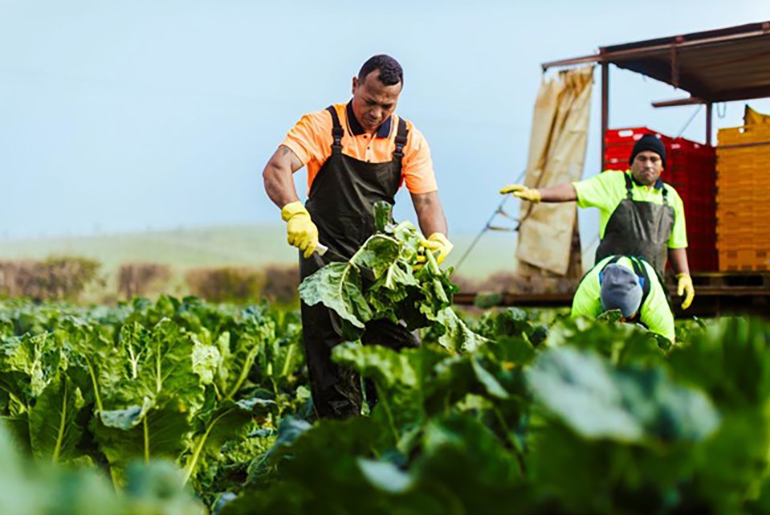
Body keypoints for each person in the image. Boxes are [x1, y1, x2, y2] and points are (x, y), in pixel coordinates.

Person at [262, 55, 452, 418]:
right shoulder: (321, 126)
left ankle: (397, 448)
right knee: (333, 362)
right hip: (326, 262)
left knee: (399, 358)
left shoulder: (408, 138)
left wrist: (437, 239)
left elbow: (426, 199)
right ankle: (343, 452)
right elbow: (277, 167)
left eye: (387, 105)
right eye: (370, 101)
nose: (377, 113)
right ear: (354, 85)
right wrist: (294, 212)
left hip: (382, 264)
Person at [500, 134, 695, 309]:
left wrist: (683, 275)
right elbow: (574, 190)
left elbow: (676, 244)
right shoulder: (612, 183)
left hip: (650, 288)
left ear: (662, 166)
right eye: (641, 158)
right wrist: (538, 194)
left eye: (654, 159)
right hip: (611, 286)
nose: (648, 164)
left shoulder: (671, 198)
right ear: (631, 162)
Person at [572, 254, 675, 342]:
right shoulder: (588, 295)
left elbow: (667, 343)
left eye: (627, 318)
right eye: (614, 317)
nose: (621, 323)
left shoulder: (653, 303)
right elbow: (576, 341)